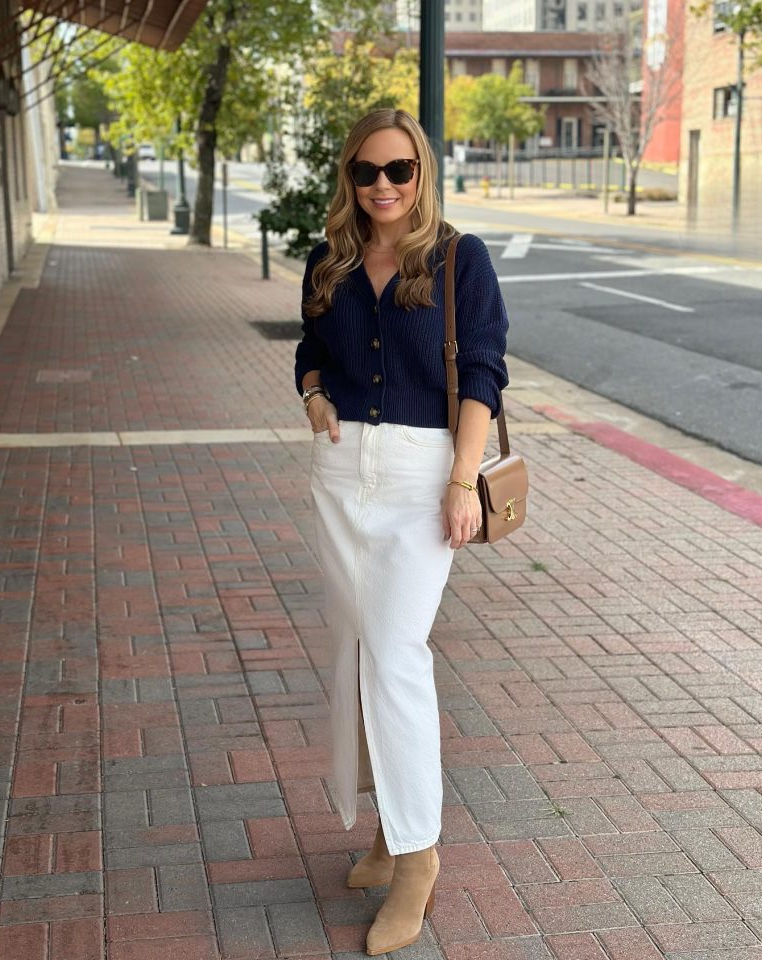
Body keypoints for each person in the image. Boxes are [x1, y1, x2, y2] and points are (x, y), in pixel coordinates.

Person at [294, 108, 508, 955]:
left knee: (394, 655)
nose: (381, 186)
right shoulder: (329, 261)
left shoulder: (459, 259)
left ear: (421, 172)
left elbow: (483, 371)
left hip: (424, 478)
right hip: (341, 475)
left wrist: (463, 479)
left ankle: (417, 856)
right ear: (347, 178)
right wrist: (312, 393)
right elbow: (311, 348)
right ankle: (387, 830)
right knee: (355, 653)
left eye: (398, 171)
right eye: (365, 172)